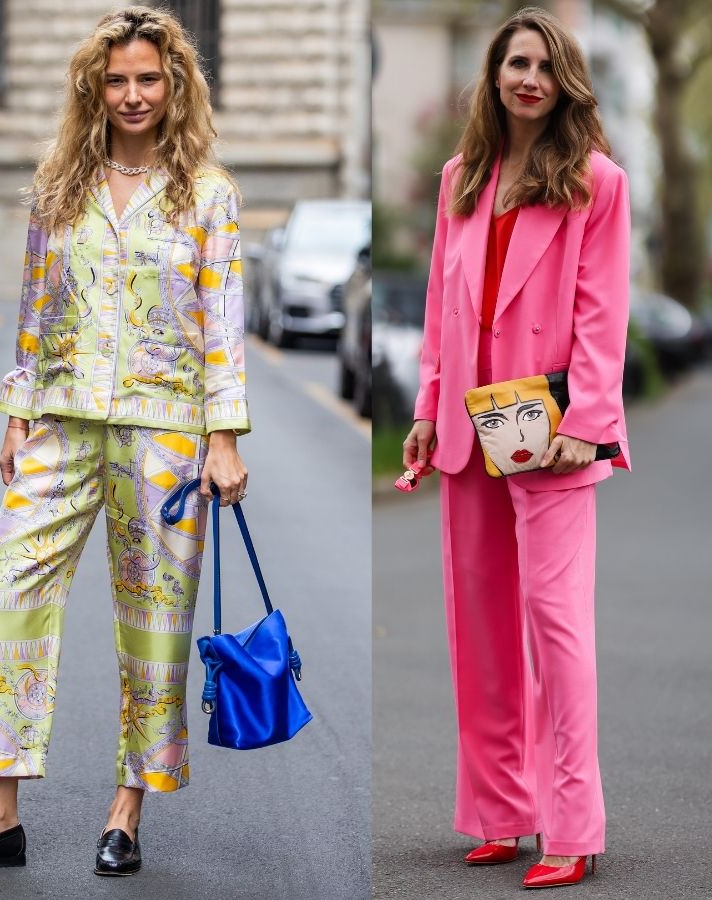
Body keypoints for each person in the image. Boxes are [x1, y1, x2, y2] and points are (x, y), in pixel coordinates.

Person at [0, 5, 248, 877]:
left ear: (176, 86)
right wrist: (17, 413)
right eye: (118, 78)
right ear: (95, 85)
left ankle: (127, 811)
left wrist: (225, 436)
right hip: (61, 419)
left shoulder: (207, 192)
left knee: (155, 624)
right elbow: (32, 311)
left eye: (149, 79)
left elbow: (223, 326)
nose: (132, 95)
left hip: (167, 434)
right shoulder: (61, 184)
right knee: (5, 592)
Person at [401, 6, 629, 890]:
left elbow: (603, 314)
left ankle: (572, 827)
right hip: (469, 428)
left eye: (543, 64)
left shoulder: (595, 182)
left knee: (557, 629)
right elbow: (437, 313)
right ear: (494, 76)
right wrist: (424, 410)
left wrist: (588, 424)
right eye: (514, 62)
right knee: (483, 636)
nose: (527, 77)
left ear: (564, 78)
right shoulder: (463, 177)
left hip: (552, 433)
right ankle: (504, 813)